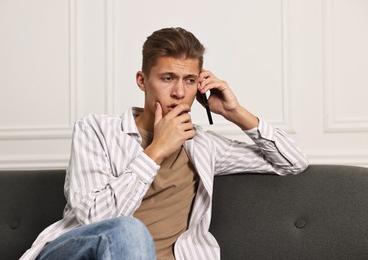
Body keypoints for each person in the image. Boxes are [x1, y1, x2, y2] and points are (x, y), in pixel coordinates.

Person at [21, 27, 309, 260]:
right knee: (128, 230)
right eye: (167, 78)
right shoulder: (97, 130)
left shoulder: (203, 146)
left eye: (190, 80)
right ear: (142, 80)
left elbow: (292, 161)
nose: (179, 92)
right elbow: (95, 218)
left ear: (200, 85)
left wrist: (235, 112)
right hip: (79, 253)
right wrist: (156, 151)